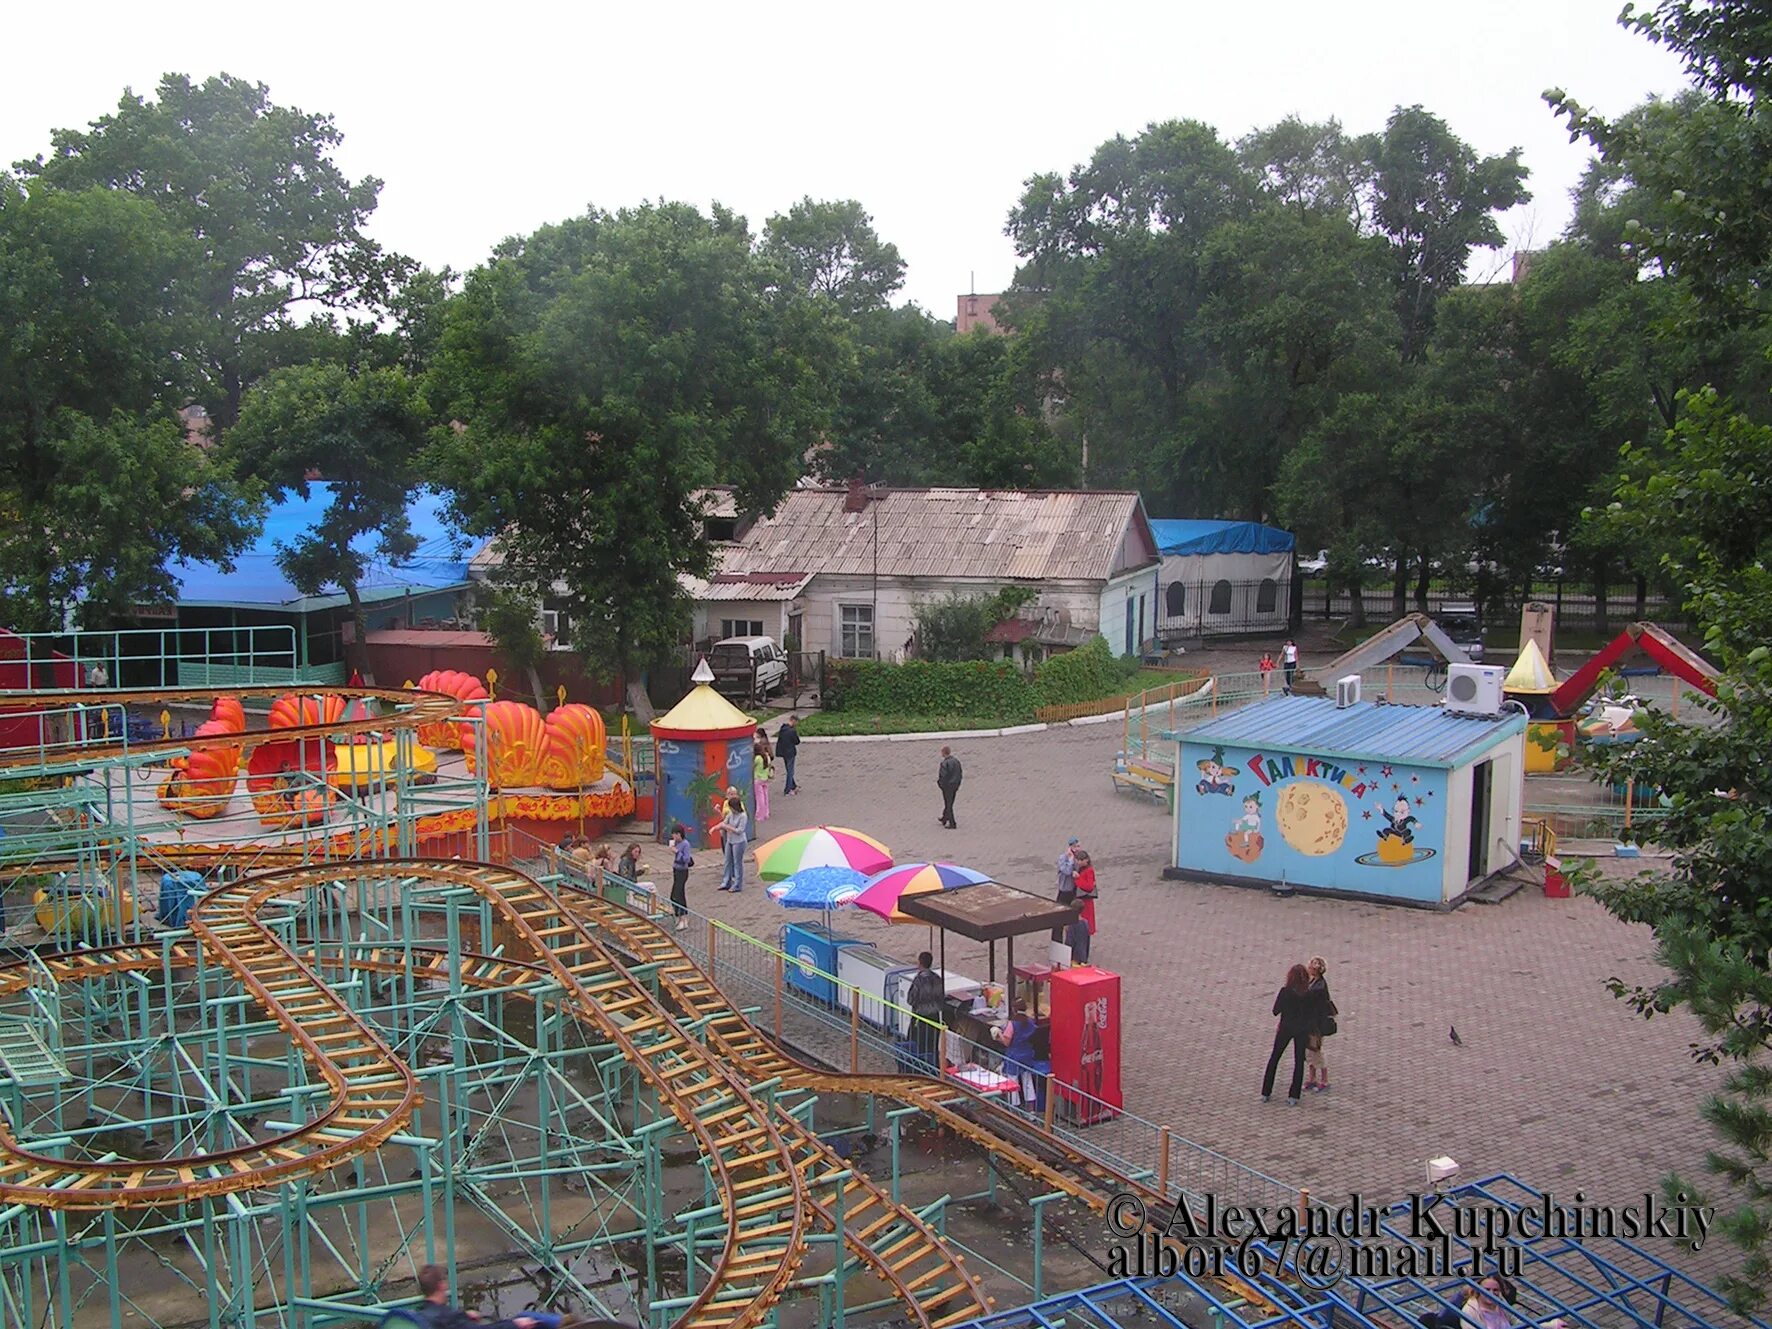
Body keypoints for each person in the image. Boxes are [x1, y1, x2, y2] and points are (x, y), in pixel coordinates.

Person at [410, 1263, 561, 1329]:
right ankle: (567, 1324)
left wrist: (464, 1315)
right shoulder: (448, 1317)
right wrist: (514, 1325)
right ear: (441, 1285)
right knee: (528, 1318)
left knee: (524, 1318)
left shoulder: (420, 1315)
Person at [1261, 963, 1315, 1105]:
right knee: (1298, 1061)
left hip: (1286, 1028)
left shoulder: (1285, 992)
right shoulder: (1309, 993)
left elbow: (1275, 1011)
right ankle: (1294, 1096)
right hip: (1302, 1030)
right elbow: (1312, 1013)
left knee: (1275, 1058)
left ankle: (1266, 1092)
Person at [995, 999, 1045, 1110]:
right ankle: (1031, 1109)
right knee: (1027, 1081)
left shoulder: (1012, 1024)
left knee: (1013, 1081)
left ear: (1014, 1009)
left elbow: (1007, 1042)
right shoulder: (1030, 1023)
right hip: (1027, 1054)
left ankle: (1014, 1107)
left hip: (1014, 1056)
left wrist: (999, 1036)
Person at [1418, 1274, 1517, 1329]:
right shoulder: (1469, 1310)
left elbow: (1515, 1318)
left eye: (1495, 1290)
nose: (1491, 1293)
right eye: (1486, 1290)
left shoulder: (1500, 1301)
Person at [906, 952, 945, 1073]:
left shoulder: (918, 980)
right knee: (932, 1044)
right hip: (934, 1017)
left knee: (918, 1042)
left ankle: (918, 1068)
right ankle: (933, 1068)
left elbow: (911, 999)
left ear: (920, 963)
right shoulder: (937, 979)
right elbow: (941, 997)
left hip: (920, 1017)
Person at [1304, 955, 1338, 1093]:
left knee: (1316, 1050)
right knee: (1309, 1051)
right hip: (1311, 1023)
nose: (1309, 967)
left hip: (1316, 1025)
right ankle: (1312, 1078)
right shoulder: (1313, 982)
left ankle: (1324, 1079)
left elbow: (1313, 1006)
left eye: (1311, 966)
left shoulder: (1318, 987)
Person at [716, 791, 749, 892]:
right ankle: (726, 881)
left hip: (739, 842)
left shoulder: (743, 816)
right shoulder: (730, 814)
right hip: (730, 840)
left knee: (737, 862)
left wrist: (728, 827)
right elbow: (724, 822)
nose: (730, 809)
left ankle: (738, 884)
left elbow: (740, 830)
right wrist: (716, 828)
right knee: (727, 861)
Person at [1051, 836, 1080, 941]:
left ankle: (1072, 940)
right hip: (1064, 891)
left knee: (1073, 918)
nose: (1078, 849)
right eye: (1075, 846)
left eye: (1079, 846)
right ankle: (1057, 941)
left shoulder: (1078, 857)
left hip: (1074, 891)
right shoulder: (1063, 858)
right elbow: (1066, 871)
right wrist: (1071, 858)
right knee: (1059, 919)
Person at [669, 824, 693, 931]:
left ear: (679, 834)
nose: (673, 837)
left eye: (674, 834)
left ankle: (683, 918)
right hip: (676, 870)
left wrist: (677, 852)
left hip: (682, 871)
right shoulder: (677, 843)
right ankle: (678, 916)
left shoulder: (685, 844)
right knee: (675, 894)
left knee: (678, 894)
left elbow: (686, 859)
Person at [1072, 849, 1098, 936]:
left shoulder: (1089, 870)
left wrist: (1078, 878)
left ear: (1086, 860)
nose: (1079, 862)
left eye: (1081, 860)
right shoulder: (1081, 868)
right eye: (1078, 860)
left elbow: (1089, 886)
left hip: (1086, 899)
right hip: (1082, 898)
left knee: (1086, 919)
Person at [937, 746, 963, 829]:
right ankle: (944, 817)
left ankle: (952, 823)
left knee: (948, 804)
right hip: (955, 785)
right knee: (950, 802)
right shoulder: (956, 761)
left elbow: (943, 776)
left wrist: (940, 784)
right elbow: (960, 773)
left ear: (943, 753)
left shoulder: (944, 763)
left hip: (947, 786)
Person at [776, 715, 801, 794]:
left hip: (783, 752)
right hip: (790, 752)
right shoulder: (792, 731)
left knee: (788, 769)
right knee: (790, 771)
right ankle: (788, 789)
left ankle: (793, 785)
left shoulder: (782, 729)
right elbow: (797, 741)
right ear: (794, 721)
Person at [752, 737, 773, 823]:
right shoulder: (767, 756)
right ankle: (766, 813)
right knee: (765, 796)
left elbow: (752, 767)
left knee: (759, 798)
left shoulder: (757, 758)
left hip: (757, 779)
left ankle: (760, 815)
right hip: (765, 778)